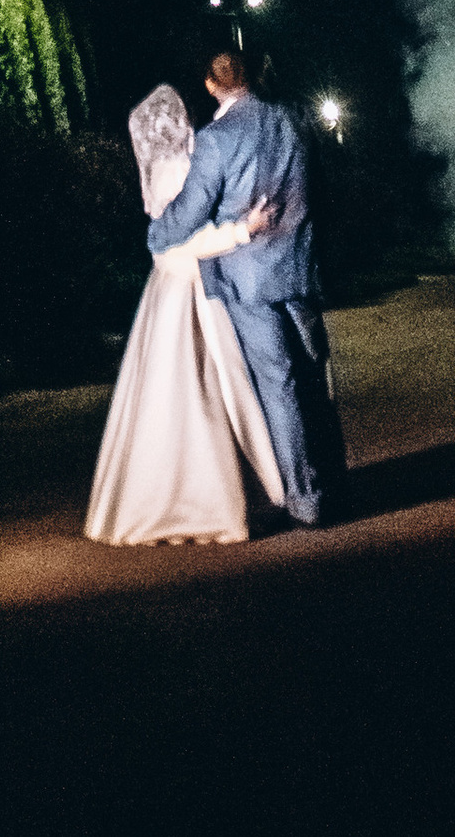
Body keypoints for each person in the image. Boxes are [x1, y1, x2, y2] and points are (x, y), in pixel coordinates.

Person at [145, 47, 342, 528]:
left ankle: (305, 497)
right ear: (251, 78)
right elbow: (325, 185)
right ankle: (336, 482)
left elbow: (191, 210)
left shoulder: (217, 139)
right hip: (297, 266)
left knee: (280, 386)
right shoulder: (295, 122)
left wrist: (157, 234)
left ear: (211, 86)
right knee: (316, 378)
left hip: (246, 277)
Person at [83, 81, 285, 544]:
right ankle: (203, 505)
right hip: (191, 288)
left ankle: (150, 501)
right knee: (205, 391)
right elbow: (186, 242)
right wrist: (242, 231)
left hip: (162, 293)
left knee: (159, 396)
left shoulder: (154, 171)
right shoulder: (178, 169)